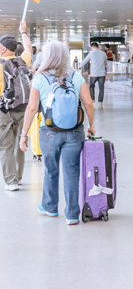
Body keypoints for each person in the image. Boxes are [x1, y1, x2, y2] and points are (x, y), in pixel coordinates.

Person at [19, 40, 94, 225]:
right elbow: (89, 103)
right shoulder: (75, 76)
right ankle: (71, 215)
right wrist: (91, 124)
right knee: (71, 171)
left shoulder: (40, 78)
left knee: (51, 170)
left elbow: (31, 108)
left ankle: (50, 207)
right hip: (75, 131)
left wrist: (24, 134)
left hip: (49, 132)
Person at [0, 22, 33, 191]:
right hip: (22, 109)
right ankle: (18, 177)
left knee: (6, 146)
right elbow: (29, 48)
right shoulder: (22, 61)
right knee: (20, 143)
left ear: (3, 49)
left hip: (4, 111)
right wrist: (24, 32)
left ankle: (11, 182)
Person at [80, 42, 108, 108]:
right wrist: (106, 71)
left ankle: (93, 100)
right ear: (98, 47)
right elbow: (106, 64)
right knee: (101, 88)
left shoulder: (91, 53)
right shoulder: (104, 54)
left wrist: (79, 66)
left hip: (94, 74)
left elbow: (85, 61)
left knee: (91, 86)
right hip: (102, 74)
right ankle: (100, 102)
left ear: (92, 47)